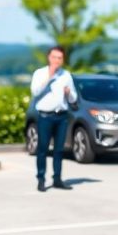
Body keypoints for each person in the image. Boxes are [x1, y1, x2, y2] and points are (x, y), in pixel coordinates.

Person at [30, 45, 77, 192]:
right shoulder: (39, 73)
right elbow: (35, 92)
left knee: (59, 150)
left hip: (61, 116)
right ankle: (41, 179)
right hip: (45, 116)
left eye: (60, 58)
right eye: (54, 57)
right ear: (49, 58)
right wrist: (49, 77)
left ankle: (57, 179)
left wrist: (69, 92)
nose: (57, 60)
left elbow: (73, 98)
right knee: (43, 149)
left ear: (63, 60)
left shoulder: (66, 75)